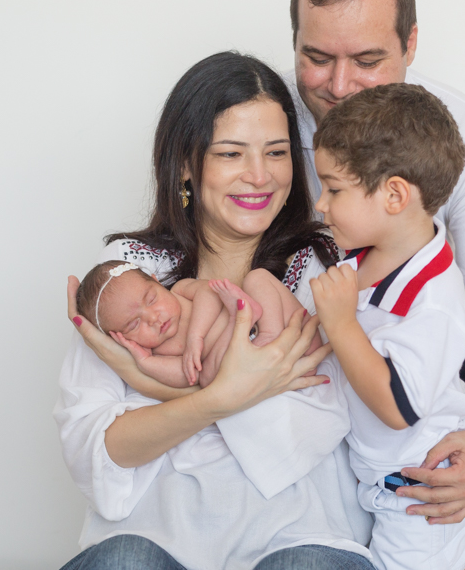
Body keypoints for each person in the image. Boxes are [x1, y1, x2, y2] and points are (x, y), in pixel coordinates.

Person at [56, 51, 376, 569]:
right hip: (153, 532)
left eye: (276, 153)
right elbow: (96, 447)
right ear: (185, 162)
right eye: (231, 154)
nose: (259, 176)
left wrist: (151, 388)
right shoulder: (128, 274)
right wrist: (224, 396)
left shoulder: (329, 267)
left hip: (299, 528)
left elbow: (327, 422)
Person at [285, 0, 465, 531]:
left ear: (410, 43)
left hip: (411, 349)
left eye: (368, 59)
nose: (340, 84)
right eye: (317, 56)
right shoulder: (261, 117)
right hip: (304, 339)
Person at [76, 259, 320, 388]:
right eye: (133, 324)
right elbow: (186, 378)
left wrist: (196, 337)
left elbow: (209, 293)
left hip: (274, 327)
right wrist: (146, 363)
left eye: (151, 299)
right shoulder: (159, 351)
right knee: (205, 379)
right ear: (121, 338)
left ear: (157, 281)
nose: (153, 317)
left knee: (258, 278)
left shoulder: (180, 291)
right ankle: (241, 318)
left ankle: (269, 331)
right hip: (244, 361)